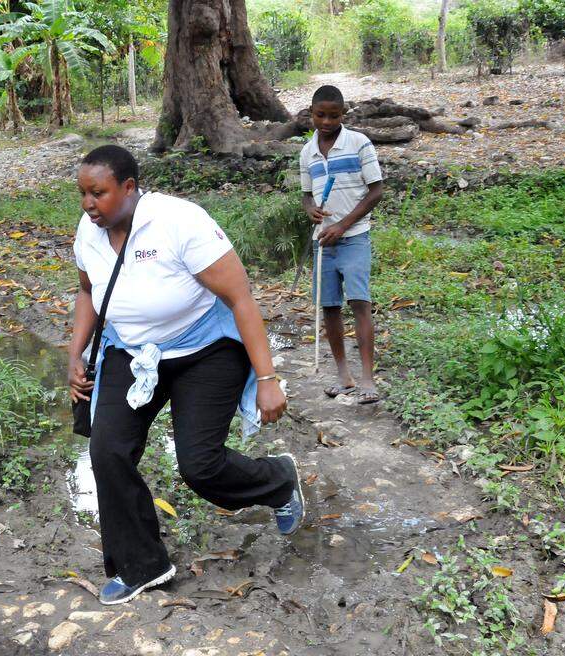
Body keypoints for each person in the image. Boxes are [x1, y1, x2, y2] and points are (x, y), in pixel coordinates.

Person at [68, 145, 304, 606]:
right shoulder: (89, 231)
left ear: (130, 188)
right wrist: (74, 354)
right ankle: (143, 566)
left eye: (98, 193)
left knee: (200, 466)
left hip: (205, 350)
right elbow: (86, 293)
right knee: (108, 450)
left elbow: (241, 299)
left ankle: (279, 481)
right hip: (131, 350)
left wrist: (268, 378)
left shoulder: (180, 222)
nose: (87, 205)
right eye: (82, 194)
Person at [299, 85, 384, 404]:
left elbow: (376, 191)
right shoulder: (307, 152)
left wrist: (343, 224)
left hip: (354, 237)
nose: (326, 122)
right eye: (320, 115)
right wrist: (311, 210)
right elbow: (307, 195)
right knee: (330, 307)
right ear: (311, 113)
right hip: (323, 241)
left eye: (333, 116)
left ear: (343, 115)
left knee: (359, 303)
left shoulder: (359, 143)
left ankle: (367, 380)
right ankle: (344, 377)